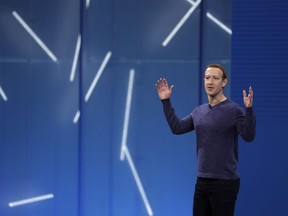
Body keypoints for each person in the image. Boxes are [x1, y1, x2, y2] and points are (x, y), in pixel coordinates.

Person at [155, 64, 256, 216]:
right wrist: (166, 102)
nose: (210, 82)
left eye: (215, 78)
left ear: (224, 82)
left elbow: (248, 136)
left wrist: (248, 111)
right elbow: (177, 128)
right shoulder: (199, 111)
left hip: (225, 182)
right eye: (207, 78)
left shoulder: (234, 110)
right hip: (202, 181)